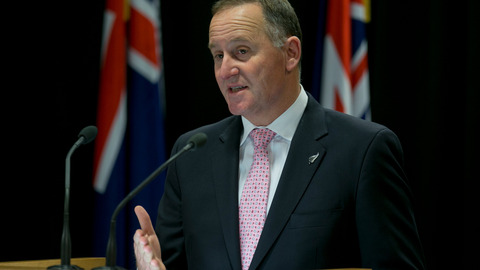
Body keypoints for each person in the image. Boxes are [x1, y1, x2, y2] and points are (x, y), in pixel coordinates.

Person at [133, 0, 426, 269]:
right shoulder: (192, 154)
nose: (224, 70)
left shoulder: (363, 150)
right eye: (218, 55)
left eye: (241, 52)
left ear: (290, 53)